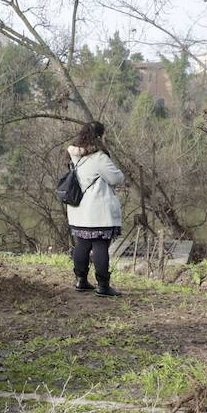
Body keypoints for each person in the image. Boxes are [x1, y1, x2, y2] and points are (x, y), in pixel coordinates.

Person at [65, 122, 126, 297]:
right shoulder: (98, 157)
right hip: (97, 210)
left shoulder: (73, 155)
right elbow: (116, 178)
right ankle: (103, 286)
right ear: (99, 136)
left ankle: (81, 281)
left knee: (82, 244)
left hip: (78, 209)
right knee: (100, 245)